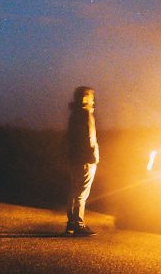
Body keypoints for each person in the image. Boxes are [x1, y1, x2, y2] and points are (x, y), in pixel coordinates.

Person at [65, 86, 99, 236]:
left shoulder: (73, 115)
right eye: (91, 97)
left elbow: (69, 138)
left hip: (74, 159)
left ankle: (71, 224)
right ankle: (79, 224)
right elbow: (90, 138)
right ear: (85, 98)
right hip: (85, 160)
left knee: (74, 191)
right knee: (81, 193)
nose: (93, 100)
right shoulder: (86, 114)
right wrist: (93, 157)